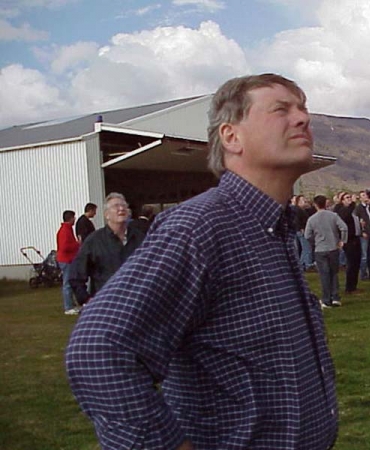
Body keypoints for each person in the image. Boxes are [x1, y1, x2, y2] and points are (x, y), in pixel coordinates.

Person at [66, 74, 338, 450]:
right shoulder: (199, 227)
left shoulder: (272, 227)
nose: (303, 118)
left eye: (303, 108)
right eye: (281, 109)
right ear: (231, 136)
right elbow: (98, 350)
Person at [68, 192, 144, 306]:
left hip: (137, 304)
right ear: (106, 214)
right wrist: (87, 300)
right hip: (107, 305)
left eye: (124, 205)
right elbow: (76, 275)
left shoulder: (141, 239)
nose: (121, 208)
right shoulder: (94, 241)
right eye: (116, 206)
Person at [305, 195, 348, 308]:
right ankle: (335, 298)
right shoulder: (333, 215)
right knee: (334, 273)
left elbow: (307, 235)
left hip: (320, 249)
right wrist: (342, 240)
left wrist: (315, 242)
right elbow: (344, 227)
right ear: (326, 203)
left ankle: (326, 299)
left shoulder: (312, 219)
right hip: (333, 247)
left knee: (324, 274)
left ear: (315, 205)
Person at [337, 192, 362, 294]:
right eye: (347, 198)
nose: (350, 199)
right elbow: (345, 218)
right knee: (351, 263)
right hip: (349, 239)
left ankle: (354, 286)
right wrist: (353, 203)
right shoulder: (343, 210)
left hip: (356, 237)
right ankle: (349, 287)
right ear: (342, 200)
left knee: (356, 262)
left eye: (350, 197)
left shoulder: (352, 211)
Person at [56, 210, 80, 315]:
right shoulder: (65, 231)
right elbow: (65, 247)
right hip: (66, 260)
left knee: (70, 283)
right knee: (67, 284)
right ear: (70, 218)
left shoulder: (67, 229)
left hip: (67, 259)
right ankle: (68, 307)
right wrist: (77, 244)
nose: (75, 219)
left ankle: (71, 305)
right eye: (74, 217)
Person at [354, 190, 370, 280]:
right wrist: (361, 231)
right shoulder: (358, 209)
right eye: (363, 195)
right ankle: (363, 274)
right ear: (360, 198)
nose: (366, 196)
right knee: (364, 256)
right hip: (364, 234)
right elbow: (357, 222)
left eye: (366, 195)